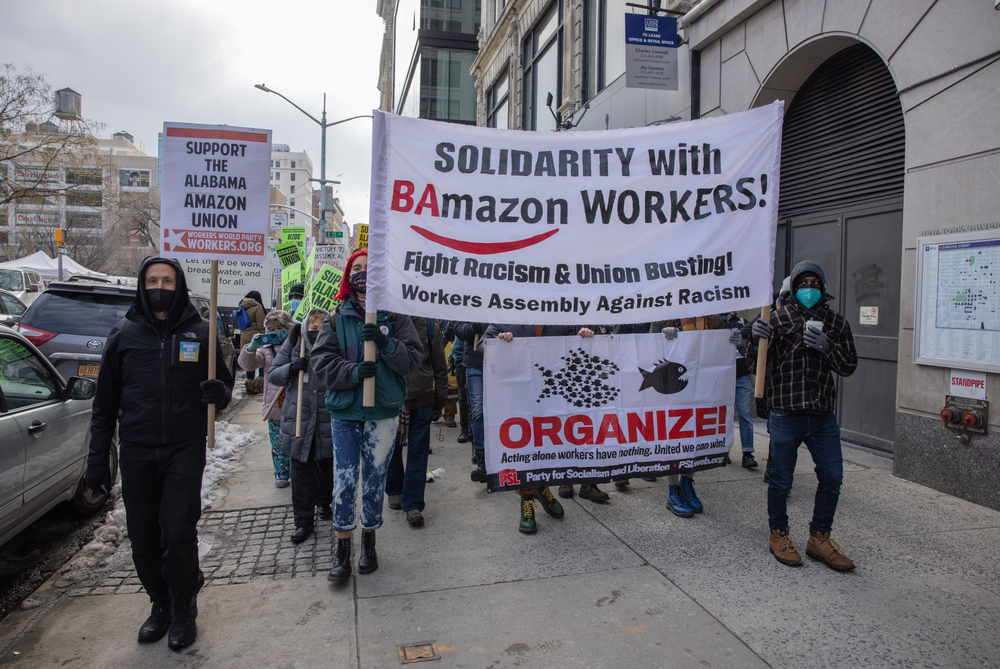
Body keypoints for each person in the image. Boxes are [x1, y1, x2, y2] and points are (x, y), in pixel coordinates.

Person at [86, 257, 233, 651]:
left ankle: (185, 604)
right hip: (137, 449)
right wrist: (97, 458)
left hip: (184, 448)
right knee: (143, 537)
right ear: (141, 284)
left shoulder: (201, 333)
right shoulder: (123, 335)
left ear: (179, 285)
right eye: (153, 280)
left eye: (167, 280)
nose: (160, 286)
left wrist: (219, 394)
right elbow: (104, 405)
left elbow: (224, 386)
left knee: (179, 530)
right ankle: (160, 601)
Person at [312, 248, 423, 582]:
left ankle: (369, 545)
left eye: (368, 268)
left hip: (383, 411)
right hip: (346, 411)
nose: (362, 274)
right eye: (356, 268)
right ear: (349, 276)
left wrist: (387, 344)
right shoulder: (336, 317)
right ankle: (342, 550)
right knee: (344, 481)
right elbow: (321, 363)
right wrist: (353, 372)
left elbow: (413, 360)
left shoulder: (397, 315)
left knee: (374, 482)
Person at [748, 260, 858, 571]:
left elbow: (849, 366)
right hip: (786, 412)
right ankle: (779, 534)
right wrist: (755, 339)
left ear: (822, 287)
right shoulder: (778, 320)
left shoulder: (836, 323)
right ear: (793, 288)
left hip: (822, 416)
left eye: (814, 283)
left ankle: (819, 538)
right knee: (781, 480)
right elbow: (756, 367)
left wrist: (828, 347)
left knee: (832, 477)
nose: (809, 288)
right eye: (803, 283)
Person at [484, 323, 594, 533]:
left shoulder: (559, 314)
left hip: (551, 393)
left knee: (545, 446)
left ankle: (543, 488)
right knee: (524, 448)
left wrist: (584, 337)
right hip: (517, 393)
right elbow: (483, 344)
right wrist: (499, 341)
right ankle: (527, 502)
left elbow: (575, 344)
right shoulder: (507, 313)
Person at [270, 308, 335, 543]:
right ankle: (303, 521)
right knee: (300, 471)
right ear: (305, 326)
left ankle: (324, 501)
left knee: (326, 465)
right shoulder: (295, 341)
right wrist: (292, 368)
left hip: (327, 417)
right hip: (298, 419)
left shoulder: (334, 343)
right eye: (312, 327)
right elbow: (273, 375)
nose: (316, 331)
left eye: (321, 326)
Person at [385, 317, 448, 527]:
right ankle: (394, 489)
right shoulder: (383, 321)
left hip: (422, 396)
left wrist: (440, 397)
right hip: (390, 399)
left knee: (418, 450)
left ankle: (413, 504)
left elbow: (440, 365)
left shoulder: (429, 325)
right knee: (390, 448)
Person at [239, 309, 294, 488]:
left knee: (295, 438)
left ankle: (296, 471)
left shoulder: (297, 346)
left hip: (294, 400)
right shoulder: (265, 350)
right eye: (272, 329)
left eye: (280, 328)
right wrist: (251, 348)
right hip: (274, 402)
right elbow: (248, 364)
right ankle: (281, 473)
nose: (276, 332)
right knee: (277, 441)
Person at [722, 311, 757, 469]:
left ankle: (747, 453)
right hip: (723, 375)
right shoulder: (715, 323)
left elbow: (751, 343)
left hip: (742, 373)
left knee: (745, 413)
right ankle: (724, 450)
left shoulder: (743, 321)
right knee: (725, 415)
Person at [453, 321, 489, 481]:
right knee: (478, 410)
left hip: (500, 361)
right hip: (475, 364)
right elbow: (457, 327)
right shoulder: (471, 299)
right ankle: (482, 460)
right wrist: (472, 328)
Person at [238, 291, 266, 385]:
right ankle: (260, 383)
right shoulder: (258, 308)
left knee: (248, 359)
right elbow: (261, 324)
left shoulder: (242, 307)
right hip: (256, 337)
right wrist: (264, 337)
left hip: (244, 336)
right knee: (262, 358)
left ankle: (249, 383)